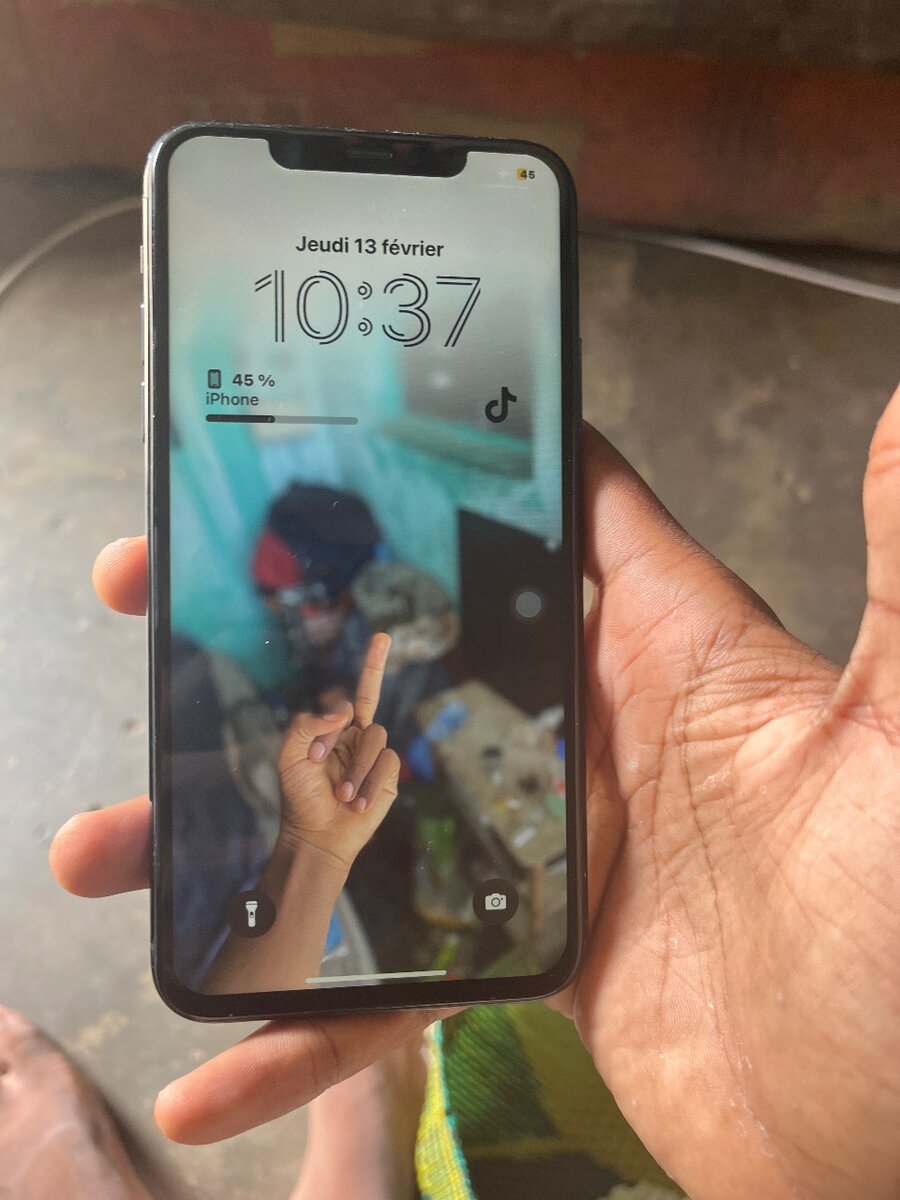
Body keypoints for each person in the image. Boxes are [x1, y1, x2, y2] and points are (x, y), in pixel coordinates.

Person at [4, 387, 899, 1199]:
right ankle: (367, 1112)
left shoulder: (401, 627)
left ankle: (359, 1119)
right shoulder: (326, 662)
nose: (296, 614)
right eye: (287, 601)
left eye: (309, 597)